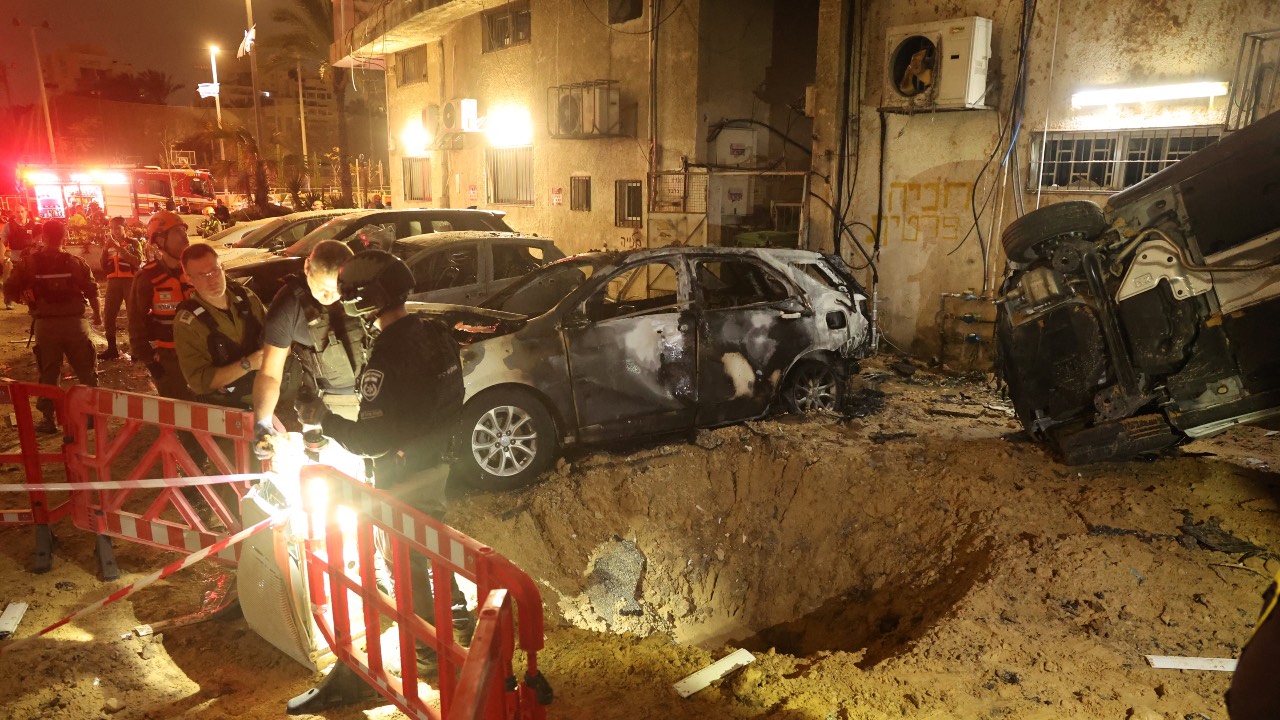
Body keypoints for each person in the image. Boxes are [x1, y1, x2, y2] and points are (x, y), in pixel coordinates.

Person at [286, 250, 467, 713]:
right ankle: (460, 628)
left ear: (365, 299)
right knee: (435, 555)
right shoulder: (434, 332)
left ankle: (430, 656)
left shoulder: (389, 351)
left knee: (407, 570)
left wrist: (323, 419)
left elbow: (371, 440)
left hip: (403, 478)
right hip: (437, 463)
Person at [252, 240, 369, 445]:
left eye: (338, 289)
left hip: (371, 398)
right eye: (324, 288)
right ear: (307, 267)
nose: (331, 297)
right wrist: (263, 423)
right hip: (320, 406)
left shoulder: (366, 289)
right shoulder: (289, 305)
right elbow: (270, 373)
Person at [2, 220, 101, 434]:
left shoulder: (29, 263)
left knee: (48, 372)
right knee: (86, 370)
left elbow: (9, 288)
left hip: (46, 326)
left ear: (43, 237)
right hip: (76, 324)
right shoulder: (76, 262)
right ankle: (92, 415)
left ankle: (49, 419)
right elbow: (92, 291)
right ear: (64, 237)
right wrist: (99, 316)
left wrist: (26, 299)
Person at [173, 244, 265, 408]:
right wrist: (248, 364)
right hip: (225, 409)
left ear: (222, 268)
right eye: (202, 276)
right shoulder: (188, 323)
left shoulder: (247, 298)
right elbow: (199, 381)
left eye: (214, 271)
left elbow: (281, 339)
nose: (212, 280)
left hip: (268, 395)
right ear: (188, 278)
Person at [128, 210, 195, 400]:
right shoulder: (147, 277)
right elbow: (135, 323)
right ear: (160, 240)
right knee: (179, 413)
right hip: (170, 360)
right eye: (177, 233)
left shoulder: (197, 270)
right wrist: (150, 362)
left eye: (184, 231)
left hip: (203, 353)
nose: (185, 238)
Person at [99, 217, 144, 360]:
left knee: (133, 315)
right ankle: (112, 349)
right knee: (109, 315)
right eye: (112, 228)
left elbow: (137, 261)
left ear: (126, 228)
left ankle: (136, 350)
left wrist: (119, 248)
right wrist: (105, 250)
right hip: (113, 282)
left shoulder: (134, 243)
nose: (114, 231)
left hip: (129, 282)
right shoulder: (108, 245)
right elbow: (103, 265)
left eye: (118, 228)